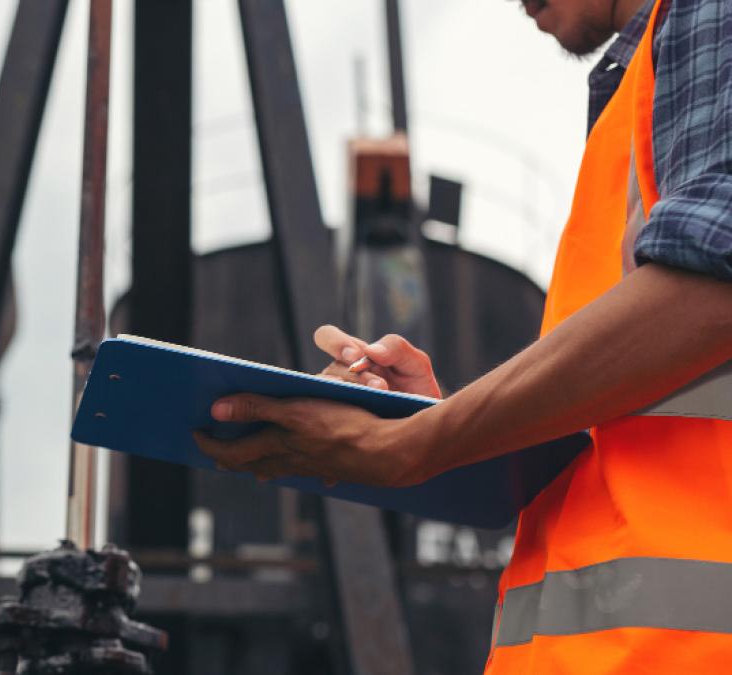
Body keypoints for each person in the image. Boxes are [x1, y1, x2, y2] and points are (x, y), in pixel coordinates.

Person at [196, 0, 732, 671]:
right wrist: (440, 427)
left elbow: (717, 279)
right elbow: (614, 448)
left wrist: (420, 440)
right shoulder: (635, 99)